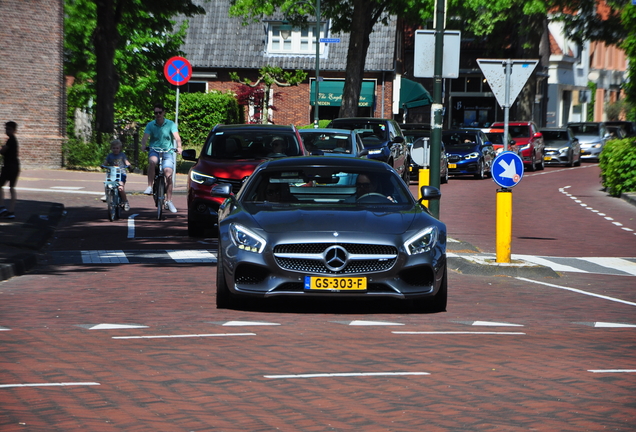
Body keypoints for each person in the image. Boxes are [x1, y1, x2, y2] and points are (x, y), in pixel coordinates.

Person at [140, 104, 182, 213]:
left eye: (159, 112)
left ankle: (169, 200)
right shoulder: (151, 125)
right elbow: (145, 138)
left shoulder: (170, 124)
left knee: (168, 174)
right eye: (156, 113)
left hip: (167, 151)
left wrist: (179, 147)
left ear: (163, 113)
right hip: (154, 150)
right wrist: (143, 145)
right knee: (152, 161)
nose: (158, 115)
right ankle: (149, 186)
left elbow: (177, 137)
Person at [103, 139, 131, 211]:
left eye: (117, 148)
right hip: (112, 173)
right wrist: (103, 165)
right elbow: (106, 162)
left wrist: (129, 165)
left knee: (120, 188)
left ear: (120, 148)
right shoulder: (110, 156)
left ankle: (125, 201)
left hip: (121, 173)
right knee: (107, 184)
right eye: (114, 148)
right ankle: (107, 195)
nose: (115, 150)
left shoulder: (122, 155)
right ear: (111, 148)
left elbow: (126, 161)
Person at [0, 121, 20, 219]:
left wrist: (2, 148)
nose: (7, 131)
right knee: (11, 188)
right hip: (14, 166)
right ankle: (11, 211)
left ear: (14, 130)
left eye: (9, 129)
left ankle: (2, 207)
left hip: (9, 166)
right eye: (6, 129)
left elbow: (3, 151)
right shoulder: (13, 140)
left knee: (2, 186)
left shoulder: (11, 140)